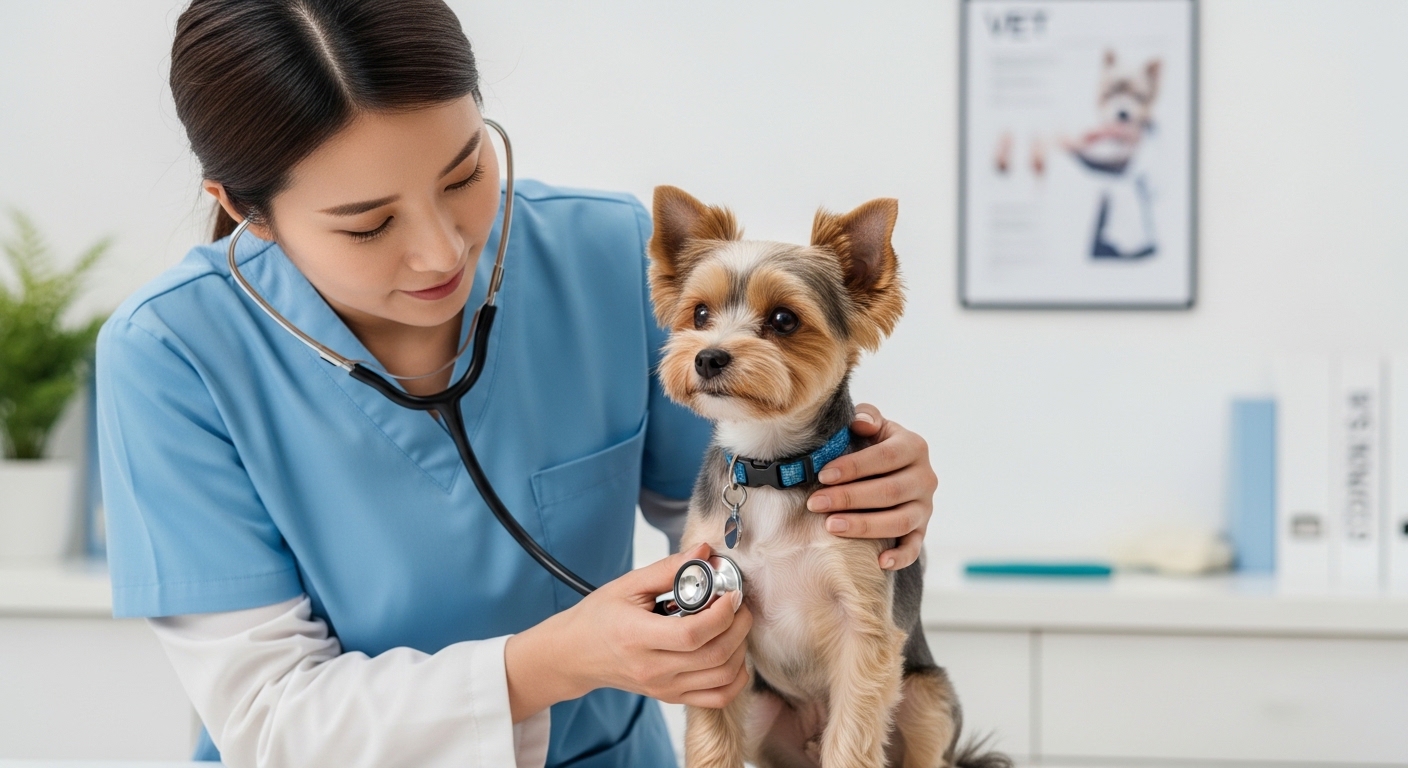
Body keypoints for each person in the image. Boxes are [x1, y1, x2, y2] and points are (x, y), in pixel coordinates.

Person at [95, 1, 939, 766]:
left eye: (464, 175)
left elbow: (755, 500)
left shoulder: (601, 255)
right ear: (247, 210)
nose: (442, 250)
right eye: (371, 224)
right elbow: (271, 719)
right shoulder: (171, 355)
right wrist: (554, 663)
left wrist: (867, 482)